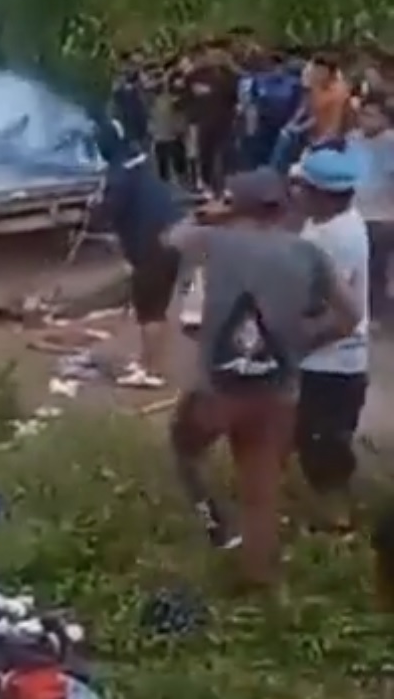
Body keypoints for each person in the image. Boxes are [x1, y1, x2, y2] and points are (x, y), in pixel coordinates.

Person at [164, 168, 361, 589]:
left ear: (236, 205)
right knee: (262, 493)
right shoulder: (308, 254)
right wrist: (302, 343)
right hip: (278, 391)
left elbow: (169, 240)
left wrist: (206, 214)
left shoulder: (213, 242)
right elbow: (351, 316)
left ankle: (214, 519)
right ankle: (262, 586)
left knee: (184, 448)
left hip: (218, 388)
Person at [292, 147, 371, 531]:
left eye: (301, 185)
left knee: (324, 446)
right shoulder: (331, 220)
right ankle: (330, 514)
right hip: (331, 361)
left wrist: (294, 343)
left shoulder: (333, 242)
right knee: (314, 440)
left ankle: (338, 524)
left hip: (332, 362)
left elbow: (341, 316)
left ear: (320, 193)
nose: (295, 191)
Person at [92, 119, 187, 388]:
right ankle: (149, 362)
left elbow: (106, 212)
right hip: (171, 237)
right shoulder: (136, 161)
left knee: (150, 311)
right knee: (155, 308)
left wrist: (96, 208)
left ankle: (152, 372)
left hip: (153, 245)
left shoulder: (118, 174)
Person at [351, 94, 394, 324]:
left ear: (385, 119)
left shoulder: (391, 143)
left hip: (383, 216)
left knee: (375, 266)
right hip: (354, 211)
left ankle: (376, 311)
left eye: (371, 115)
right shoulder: (353, 139)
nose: (365, 120)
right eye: (363, 114)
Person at [184, 44, 239, 197]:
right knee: (205, 153)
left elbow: (235, 98)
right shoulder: (194, 76)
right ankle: (207, 185)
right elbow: (187, 99)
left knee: (226, 153)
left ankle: (227, 186)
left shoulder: (230, 75)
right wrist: (191, 120)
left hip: (226, 119)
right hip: (202, 120)